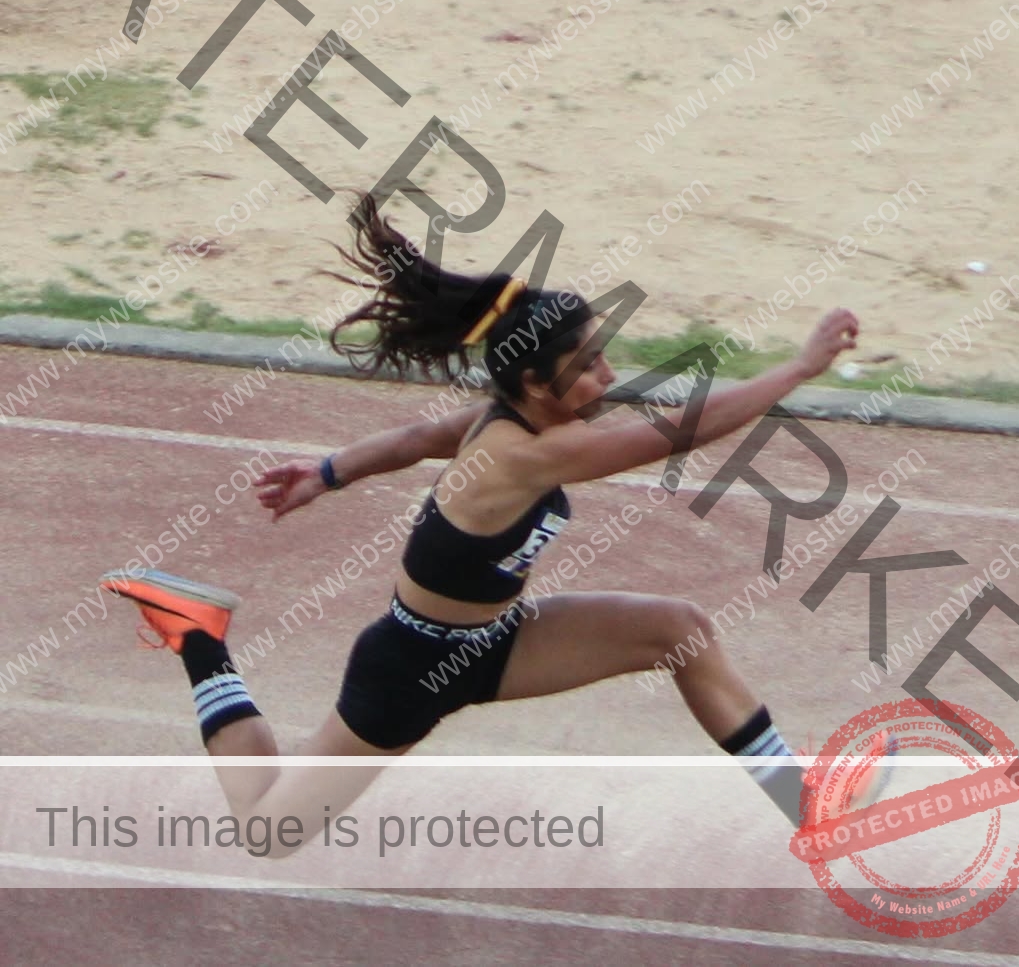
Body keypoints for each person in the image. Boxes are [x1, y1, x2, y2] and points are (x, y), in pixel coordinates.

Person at [101, 196, 881, 858]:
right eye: (586, 366)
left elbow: (413, 440)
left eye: (603, 356)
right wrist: (796, 370)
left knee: (680, 630)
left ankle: (803, 805)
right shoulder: (522, 452)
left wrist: (327, 472)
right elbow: (669, 433)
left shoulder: (502, 419)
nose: (607, 376)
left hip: (496, 640)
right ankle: (199, 634)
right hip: (410, 666)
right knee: (270, 831)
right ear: (536, 384)